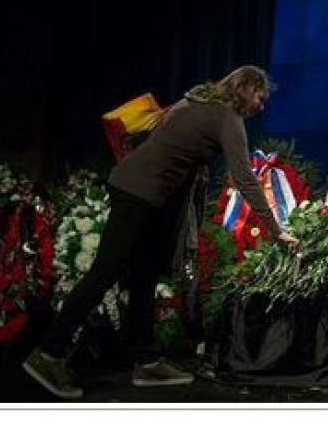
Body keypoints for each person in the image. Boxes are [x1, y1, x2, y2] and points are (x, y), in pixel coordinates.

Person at [23, 65, 299, 399]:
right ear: (246, 89)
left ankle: (146, 360)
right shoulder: (228, 118)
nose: (261, 105)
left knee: (145, 273)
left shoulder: (195, 100)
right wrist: (275, 229)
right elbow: (245, 179)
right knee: (105, 271)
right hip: (139, 193)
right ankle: (49, 353)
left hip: (139, 190)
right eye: (260, 97)